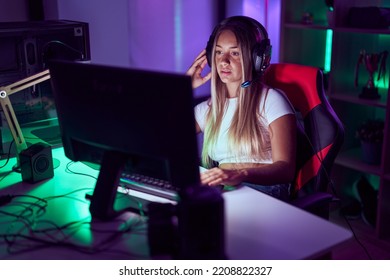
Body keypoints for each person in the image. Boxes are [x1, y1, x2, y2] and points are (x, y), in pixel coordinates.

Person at [186, 16, 296, 201]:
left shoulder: (271, 100)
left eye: (235, 53)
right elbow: (161, 136)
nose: (224, 61)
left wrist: (241, 174)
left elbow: (285, 169)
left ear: (256, 59)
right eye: (219, 52)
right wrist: (184, 86)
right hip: (226, 188)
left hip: (264, 192)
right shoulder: (208, 109)